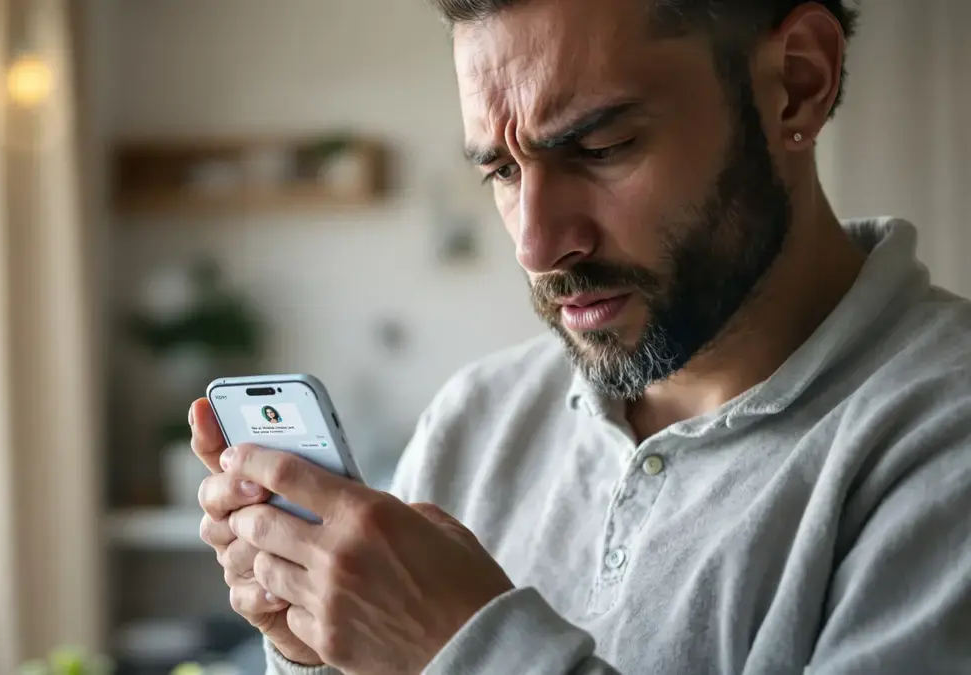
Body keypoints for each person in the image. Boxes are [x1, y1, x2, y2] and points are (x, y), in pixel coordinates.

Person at [190, 0, 971, 673]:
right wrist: (323, 645)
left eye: (598, 149)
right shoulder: (475, 420)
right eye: (500, 172)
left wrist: (461, 644)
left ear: (797, 84)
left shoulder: (944, 437)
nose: (535, 246)